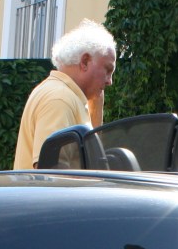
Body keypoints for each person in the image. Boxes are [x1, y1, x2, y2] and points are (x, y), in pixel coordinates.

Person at [12, 19, 116, 169]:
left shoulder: (63, 94)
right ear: (85, 61)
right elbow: (51, 174)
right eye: (107, 70)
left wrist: (96, 106)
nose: (110, 81)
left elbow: (91, 163)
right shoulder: (60, 99)